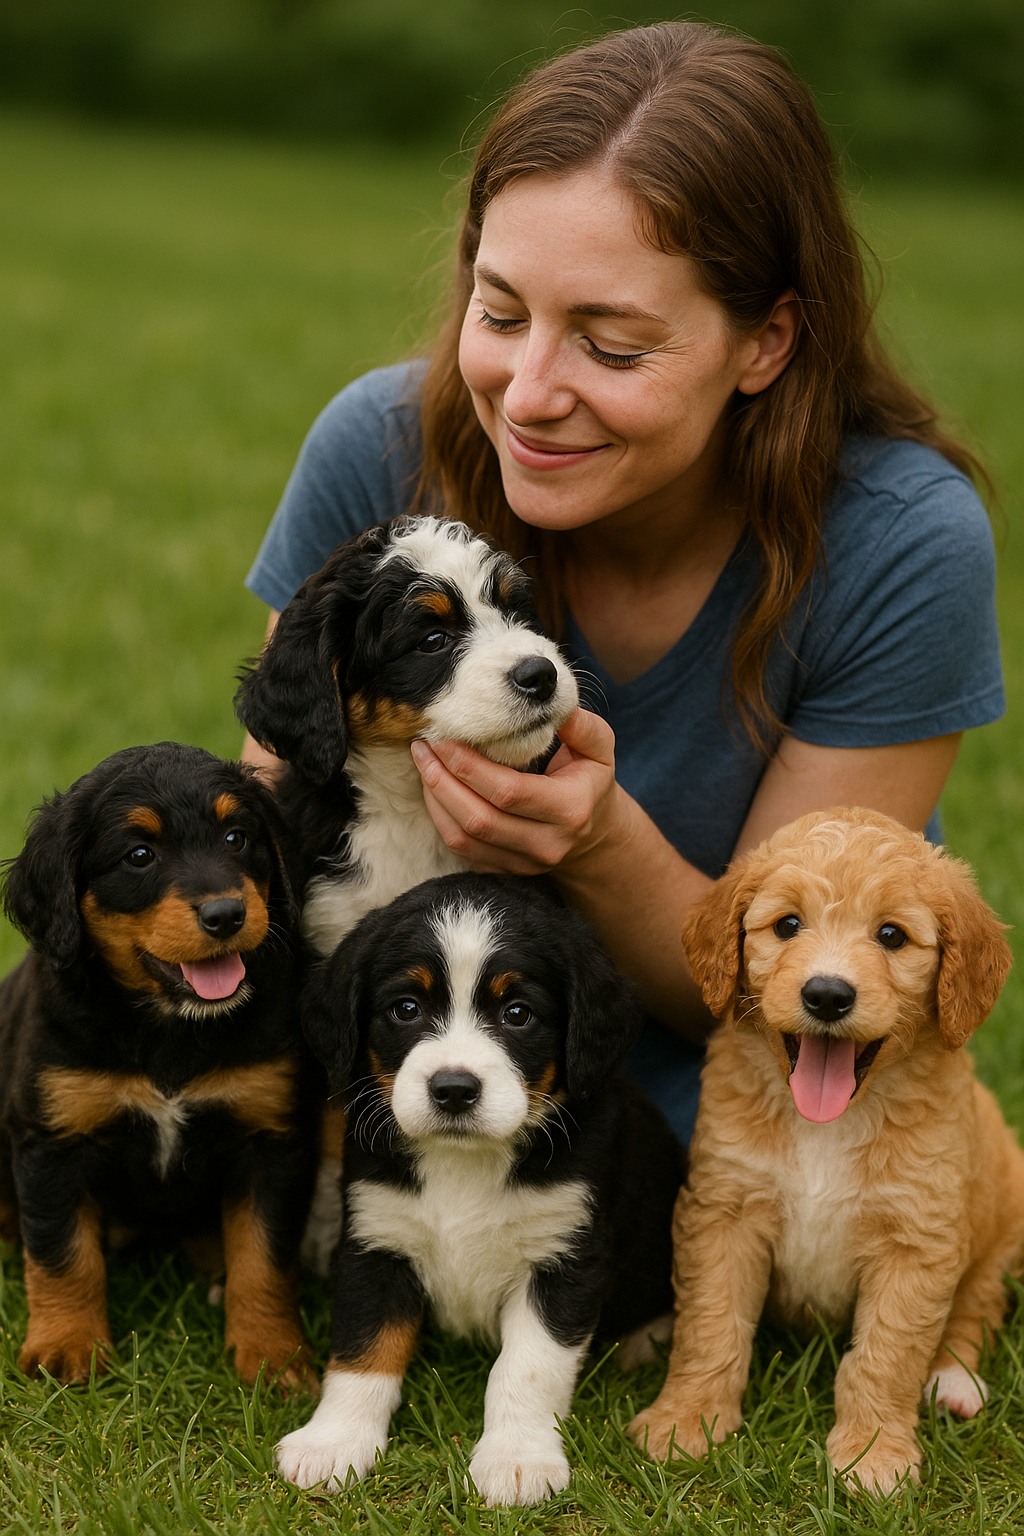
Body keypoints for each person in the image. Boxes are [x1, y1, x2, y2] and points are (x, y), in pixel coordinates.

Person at [242, 22, 1003, 1143]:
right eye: (498, 314)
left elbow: (793, 994)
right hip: (388, 1110)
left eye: (611, 345)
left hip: (738, 1137)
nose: (530, 391)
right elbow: (278, 821)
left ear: (766, 343)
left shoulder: (902, 542)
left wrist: (598, 846)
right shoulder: (378, 449)